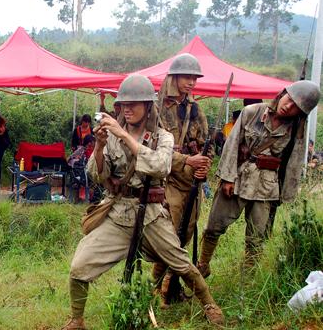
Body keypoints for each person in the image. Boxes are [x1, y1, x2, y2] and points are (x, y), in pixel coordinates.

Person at [62, 74, 224, 330]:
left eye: (134, 103)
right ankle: (76, 319)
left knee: (181, 263)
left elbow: (160, 166)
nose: (127, 108)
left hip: (150, 213)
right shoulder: (112, 136)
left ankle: (208, 304)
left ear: (148, 106)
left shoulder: (163, 138)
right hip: (117, 213)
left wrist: (124, 137)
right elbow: (97, 175)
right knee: (79, 267)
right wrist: (100, 147)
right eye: (124, 103)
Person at [197, 80, 320, 278]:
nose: (288, 106)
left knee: (256, 238)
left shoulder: (296, 129)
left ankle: (248, 278)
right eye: (289, 99)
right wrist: (227, 178)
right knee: (213, 226)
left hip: (266, 187)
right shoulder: (252, 112)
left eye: (296, 107)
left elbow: (294, 162)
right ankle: (202, 265)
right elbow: (232, 144)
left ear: (300, 113)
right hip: (239, 178)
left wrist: (284, 195)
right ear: (283, 94)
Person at [151, 53, 212, 299]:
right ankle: (156, 285)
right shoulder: (154, 108)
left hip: (190, 179)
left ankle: (170, 283)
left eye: (194, 78)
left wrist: (204, 164)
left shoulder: (195, 110)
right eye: (187, 77)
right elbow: (152, 148)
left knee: (186, 231)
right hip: (165, 177)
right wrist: (185, 160)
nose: (191, 83)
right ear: (174, 77)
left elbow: (208, 143)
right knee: (170, 233)